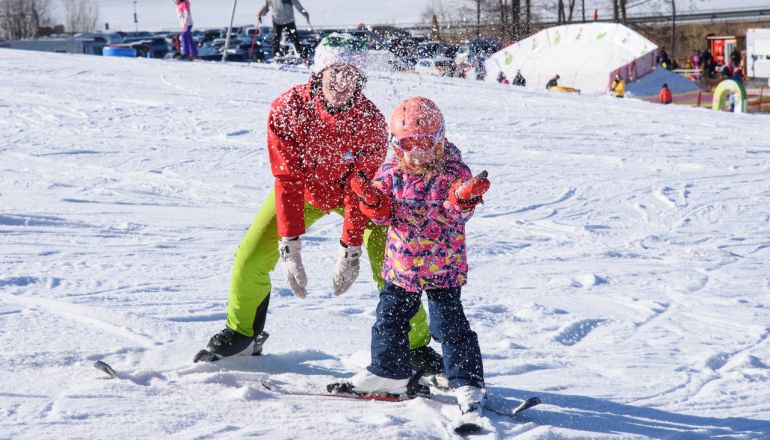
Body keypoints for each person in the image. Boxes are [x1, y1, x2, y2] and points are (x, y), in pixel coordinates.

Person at [195, 33, 443, 378]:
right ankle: (243, 332)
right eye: (334, 72)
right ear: (318, 72)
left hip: (354, 198)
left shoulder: (370, 121)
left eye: (351, 75)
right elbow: (287, 179)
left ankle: (415, 346)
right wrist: (290, 246)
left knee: (391, 259)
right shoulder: (288, 109)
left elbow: (362, 189)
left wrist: (350, 248)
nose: (342, 83)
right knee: (251, 256)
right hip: (303, 193)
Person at [340, 96, 490, 423]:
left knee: (448, 325)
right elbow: (383, 217)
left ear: (439, 140)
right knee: (389, 320)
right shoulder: (391, 171)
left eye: (425, 143)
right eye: (409, 144)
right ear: (397, 145)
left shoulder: (454, 170)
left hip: (443, 268)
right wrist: (371, 200)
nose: (417, 152)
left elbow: (454, 212)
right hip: (401, 266)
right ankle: (388, 372)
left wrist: (464, 198)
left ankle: (467, 382)